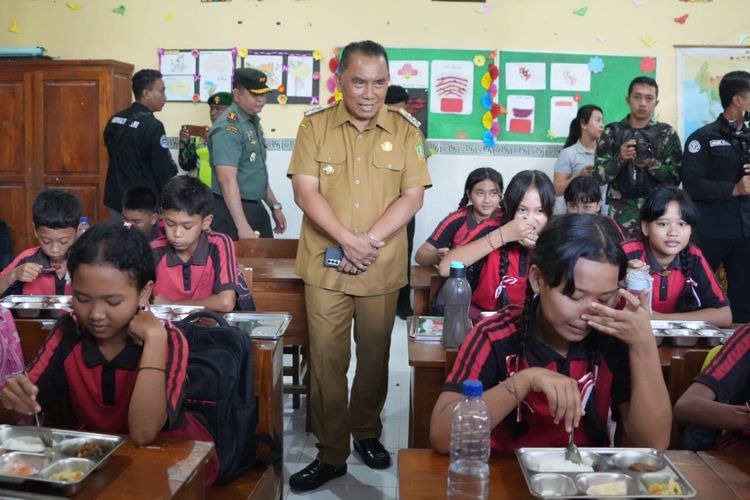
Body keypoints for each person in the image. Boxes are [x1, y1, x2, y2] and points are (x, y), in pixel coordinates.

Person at [287, 40, 431, 491]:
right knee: (328, 359)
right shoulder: (314, 127)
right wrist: (348, 240)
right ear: (340, 81)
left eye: (378, 82)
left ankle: (365, 432)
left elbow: (413, 195)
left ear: (387, 82)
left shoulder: (407, 130)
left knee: (374, 357)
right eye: (358, 81)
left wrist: (368, 242)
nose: (369, 93)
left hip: (380, 264)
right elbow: (304, 191)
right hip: (325, 265)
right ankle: (331, 452)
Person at [430, 214, 671, 454]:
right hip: (505, 481)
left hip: (589, 482)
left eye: (605, 299)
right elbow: (442, 437)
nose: (588, 313)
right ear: (537, 279)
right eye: (575, 297)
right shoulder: (495, 335)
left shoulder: (613, 337)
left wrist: (644, 344)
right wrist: (524, 381)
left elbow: (654, 444)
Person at [0, 224, 219, 484]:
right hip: (99, 461)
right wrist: (13, 401)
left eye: (113, 302)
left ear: (145, 292)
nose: (95, 314)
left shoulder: (169, 340)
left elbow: (143, 433)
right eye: (82, 299)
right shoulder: (69, 332)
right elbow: (18, 409)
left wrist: (155, 339)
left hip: (172, 464)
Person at [682, 70, 750, 323]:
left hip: (746, 233)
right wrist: (733, 189)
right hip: (711, 231)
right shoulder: (703, 137)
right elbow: (691, 184)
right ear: (738, 101)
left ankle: (741, 354)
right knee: (696, 296)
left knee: (745, 302)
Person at [439, 170, 554, 319]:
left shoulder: (556, 238)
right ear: (510, 208)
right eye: (522, 210)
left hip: (533, 323)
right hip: (481, 320)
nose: (530, 219)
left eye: (539, 211)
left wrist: (542, 249)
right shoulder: (492, 228)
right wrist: (504, 235)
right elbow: (445, 268)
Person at [622, 187, 731, 327]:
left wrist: (658, 318)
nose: (673, 232)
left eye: (681, 224)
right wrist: (620, 281)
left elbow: (724, 315)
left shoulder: (693, 256)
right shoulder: (627, 253)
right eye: (663, 224)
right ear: (645, 227)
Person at [594, 76, 682, 238]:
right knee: (622, 256)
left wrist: (651, 163)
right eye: (637, 97)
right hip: (621, 209)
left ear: (656, 103)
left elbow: (676, 178)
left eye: (649, 98)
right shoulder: (612, 131)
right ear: (628, 100)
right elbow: (598, 177)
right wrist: (620, 158)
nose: (643, 103)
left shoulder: (666, 133)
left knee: (656, 258)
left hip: (657, 209)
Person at [208, 68, 286, 240]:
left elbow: (254, 172)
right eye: (254, 94)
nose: (261, 100)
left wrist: (275, 206)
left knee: (264, 264)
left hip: (254, 207)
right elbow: (226, 180)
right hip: (233, 213)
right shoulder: (229, 128)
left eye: (263, 94)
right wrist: (242, 227)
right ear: (237, 94)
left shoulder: (251, 121)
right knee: (239, 266)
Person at [150, 176, 240, 313]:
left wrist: (172, 305)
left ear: (206, 222)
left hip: (208, 327)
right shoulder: (154, 250)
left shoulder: (218, 243)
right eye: (170, 224)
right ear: (162, 216)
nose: (177, 233)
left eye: (187, 226)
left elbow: (226, 302)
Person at [415, 167, 504, 292]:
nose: (487, 200)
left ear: (500, 195)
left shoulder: (506, 222)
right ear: (469, 194)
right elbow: (420, 256)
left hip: (495, 287)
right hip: (460, 288)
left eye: (493, 193)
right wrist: (439, 257)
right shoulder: (456, 219)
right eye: (480, 193)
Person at [103, 69, 177, 217]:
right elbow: (163, 170)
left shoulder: (115, 119)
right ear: (146, 94)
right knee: (140, 240)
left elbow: (110, 150)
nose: (165, 97)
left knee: (118, 239)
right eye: (162, 91)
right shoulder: (152, 125)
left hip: (116, 199)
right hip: (142, 205)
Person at [0, 189, 81, 297]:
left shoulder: (86, 260)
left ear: (78, 230)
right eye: (46, 241)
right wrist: (12, 276)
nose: (55, 249)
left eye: (63, 241)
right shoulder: (27, 258)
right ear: (35, 230)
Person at [386, 85, 417, 320]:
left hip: (404, 205)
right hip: (373, 205)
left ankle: (402, 304)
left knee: (402, 255)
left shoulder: (410, 129)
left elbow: (421, 163)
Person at [553, 104, 605, 212]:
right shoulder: (568, 153)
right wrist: (578, 176)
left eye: (602, 121)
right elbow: (556, 189)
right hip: (574, 217)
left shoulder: (606, 154)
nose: (602, 126)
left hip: (601, 217)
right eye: (598, 120)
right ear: (583, 124)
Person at [178, 91, 232, 188]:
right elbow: (186, 166)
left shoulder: (238, 135)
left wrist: (214, 141)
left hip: (226, 192)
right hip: (203, 193)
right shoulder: (201, 135)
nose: (212, 113)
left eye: (218, 109)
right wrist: (183, 143)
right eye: (211, 108)